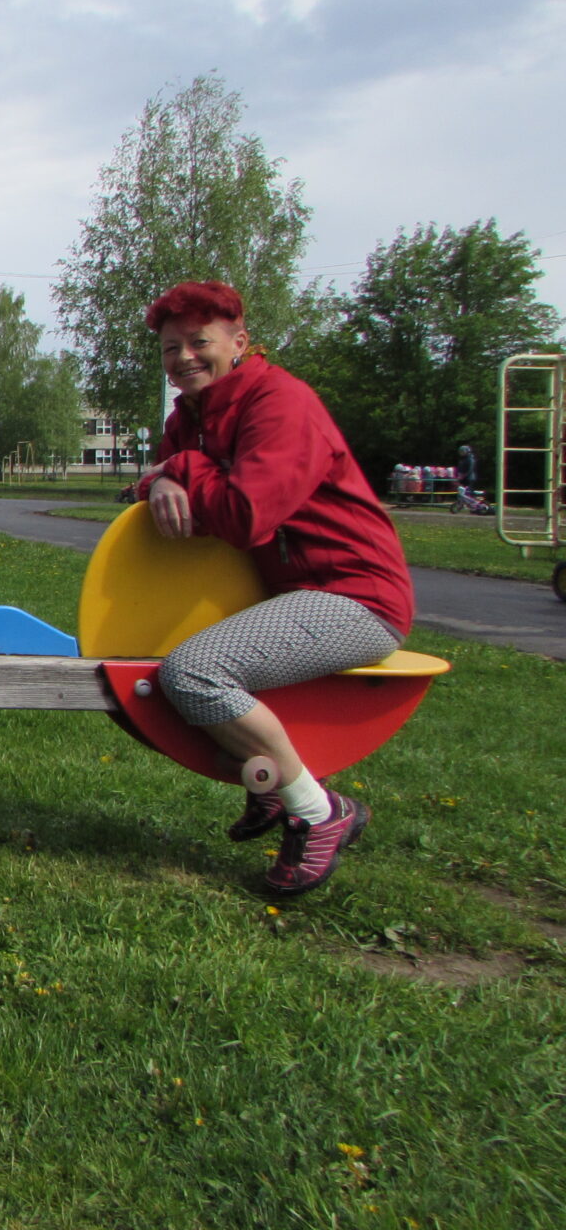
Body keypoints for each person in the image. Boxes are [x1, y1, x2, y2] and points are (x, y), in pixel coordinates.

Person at [136, 280, 414, 895]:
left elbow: (244, 514)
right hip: (287, 592)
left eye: (199, 342)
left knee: (195, 672)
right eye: (170, 348)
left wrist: (177, 471)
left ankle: (317, 812)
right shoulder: (190, 417)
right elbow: (158, 483)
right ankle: (269, 783)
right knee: (154, 669)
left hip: (355, 595)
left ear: (239, 343)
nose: (183, 358)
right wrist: (158, 481)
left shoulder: (280, 403)